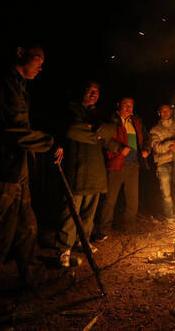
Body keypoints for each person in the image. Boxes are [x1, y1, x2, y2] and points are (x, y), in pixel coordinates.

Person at [0, 43, 61, 306]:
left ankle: (27, 277)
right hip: (0, 170)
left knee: (27, 226)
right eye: (37, 59)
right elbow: (12, 130)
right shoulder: (3, 84)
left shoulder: (19, 86)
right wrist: (48, 142)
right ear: (20, 53)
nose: (41, 66)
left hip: (16, 169)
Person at [53, 81, 115, 268]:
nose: (93, 93)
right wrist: (95, 133)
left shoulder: (99, 113)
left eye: (96, 91)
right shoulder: (71, 109)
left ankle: (82, 240)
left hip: (96, 169)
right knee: (71, 210)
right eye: (89, 90)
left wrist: (93, 130)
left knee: (89, 211)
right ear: (83, 91)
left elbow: (111, 129)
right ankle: (63, 248)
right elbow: (71, 130)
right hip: (78, 168)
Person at [93, 97, 151, 239]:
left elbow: (146, 138)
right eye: (126, 104)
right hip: (116, 164)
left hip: (133, 165)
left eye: (131, 105)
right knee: (110, 199)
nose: (129, 108)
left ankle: (128, 227)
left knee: (132, 200)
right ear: (119, 105)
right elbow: (102, 138)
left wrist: (146, 150)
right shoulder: (111, 120)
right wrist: (118, 148)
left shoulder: (136, 122)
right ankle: (103, 230)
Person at [149, 104, 175, 222]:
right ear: (159, 113)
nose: (165, 113)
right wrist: (171, 143)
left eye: (167, 111)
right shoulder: (155, 129)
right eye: (163, 111)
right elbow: (157, 148)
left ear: (171, 111)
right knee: (166, 192)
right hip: (163, 163)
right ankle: (169, 218)